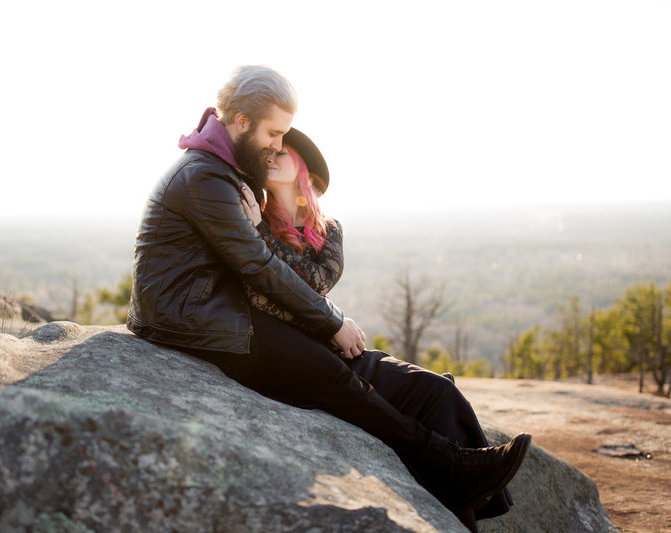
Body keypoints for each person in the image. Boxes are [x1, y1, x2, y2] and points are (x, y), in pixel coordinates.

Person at [127, 65, 531, 520]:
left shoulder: (222, 170)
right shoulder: (204, 177)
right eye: (274, 133)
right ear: (240, 121)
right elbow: (258, 266)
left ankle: (454, 460)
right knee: (332, 377)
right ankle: (451, 465)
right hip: (189, 319)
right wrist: (333, 321)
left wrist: (328, 319)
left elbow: (271, 267)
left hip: (216, 310)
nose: (279, 145)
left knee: (360, 373)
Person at [240, 128, 515, 531]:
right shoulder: (253, 223)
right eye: (269, 152)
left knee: (439, 391)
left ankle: (466, 507)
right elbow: (262, 294)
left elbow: (316, 280)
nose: (272, 155)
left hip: (332, 345)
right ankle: (465, 501)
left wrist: (328, 317)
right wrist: (256, 236)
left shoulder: (328, 229)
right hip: (295, 354)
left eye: (283, 151)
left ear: (306, 170)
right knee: (417, 405)